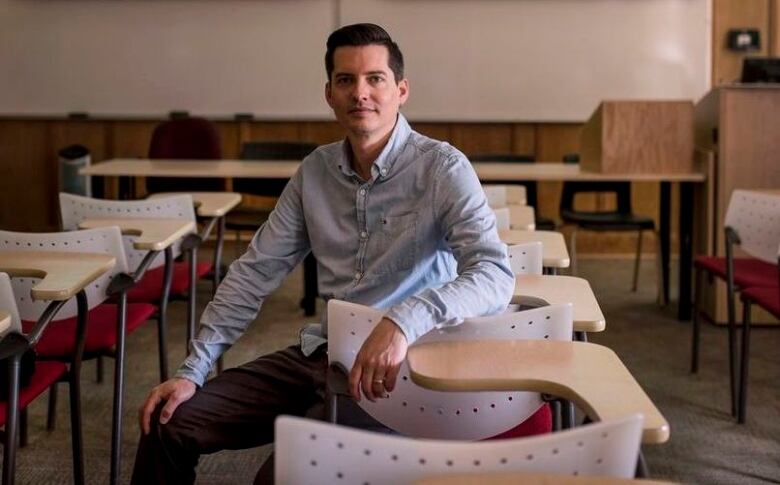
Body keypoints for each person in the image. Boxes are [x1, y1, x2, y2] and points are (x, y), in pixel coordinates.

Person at [131, 23, 514, 484]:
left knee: (277, 477)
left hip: (397, 373)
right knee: (167, 423)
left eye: (375, 79)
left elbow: (494, 273)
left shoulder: (442, 168)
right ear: (329, 94)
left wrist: (402, 320)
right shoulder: (314, 172)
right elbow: (253, 274)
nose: (361, 93)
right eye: (346, 80)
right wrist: (192, 371)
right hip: (324, 354)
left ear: (401, 90)